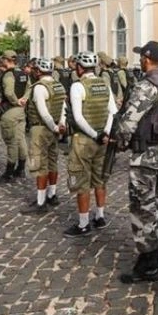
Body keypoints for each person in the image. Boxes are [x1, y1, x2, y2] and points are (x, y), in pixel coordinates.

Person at [113, 40, 158, 283]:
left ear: (148, 59)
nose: (140, 60)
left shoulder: (146, 86)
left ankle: (148, 264)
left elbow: (128, 122)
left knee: (144, 207)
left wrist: (120, 143)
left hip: (144, 155)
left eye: (142, 57)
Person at [63, 52, 116, 237]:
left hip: (84, 140)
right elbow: (113, 112)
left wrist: (95, 135)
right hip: (103, 140)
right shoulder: (104, 84)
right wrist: (105, 133)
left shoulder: (78, 86)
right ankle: (100, 216)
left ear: (79, 67)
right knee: (100, 179)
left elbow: (78, 117)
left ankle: (83, 223)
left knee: (82, 181)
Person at [22, 58, 67, 215]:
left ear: (38, 71)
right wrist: (60, 125)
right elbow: (63, 107)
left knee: (40, 164)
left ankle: (41, 202)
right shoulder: (58, 85)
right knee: (52, 162)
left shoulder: (39, 87)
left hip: (41, 128)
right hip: (54, 128)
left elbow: (43, 112)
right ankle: (52, 195)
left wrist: (54, 126)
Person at [0, 50, 30, 184]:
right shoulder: (23, 73)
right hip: (21, 111)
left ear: (6, 60)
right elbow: (29, 88)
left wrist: (16, 101)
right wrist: (23, 100)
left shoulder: (8, 75)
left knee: (11, 141)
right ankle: (21, 168)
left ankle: (9, 172)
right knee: (21, 139)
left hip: (10, 110)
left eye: (2, 59)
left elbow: (9, 93)